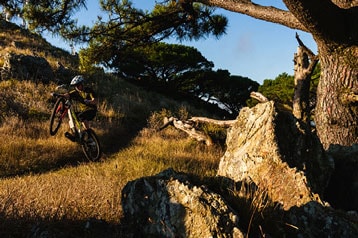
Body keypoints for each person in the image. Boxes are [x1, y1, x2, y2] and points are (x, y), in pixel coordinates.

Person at [64, 75, 98, 141]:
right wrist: (57, 95)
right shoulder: (75, 93)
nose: (77, 87)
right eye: (75, 86)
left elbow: (95, 101)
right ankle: (77, 134)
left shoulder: (89, 90)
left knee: (81, 116)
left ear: (82, 84)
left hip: (92, 110)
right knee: (72, 116)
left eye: (78, 85)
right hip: (84, 111)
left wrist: (89, 101)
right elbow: (67, 95)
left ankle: (89, 135)